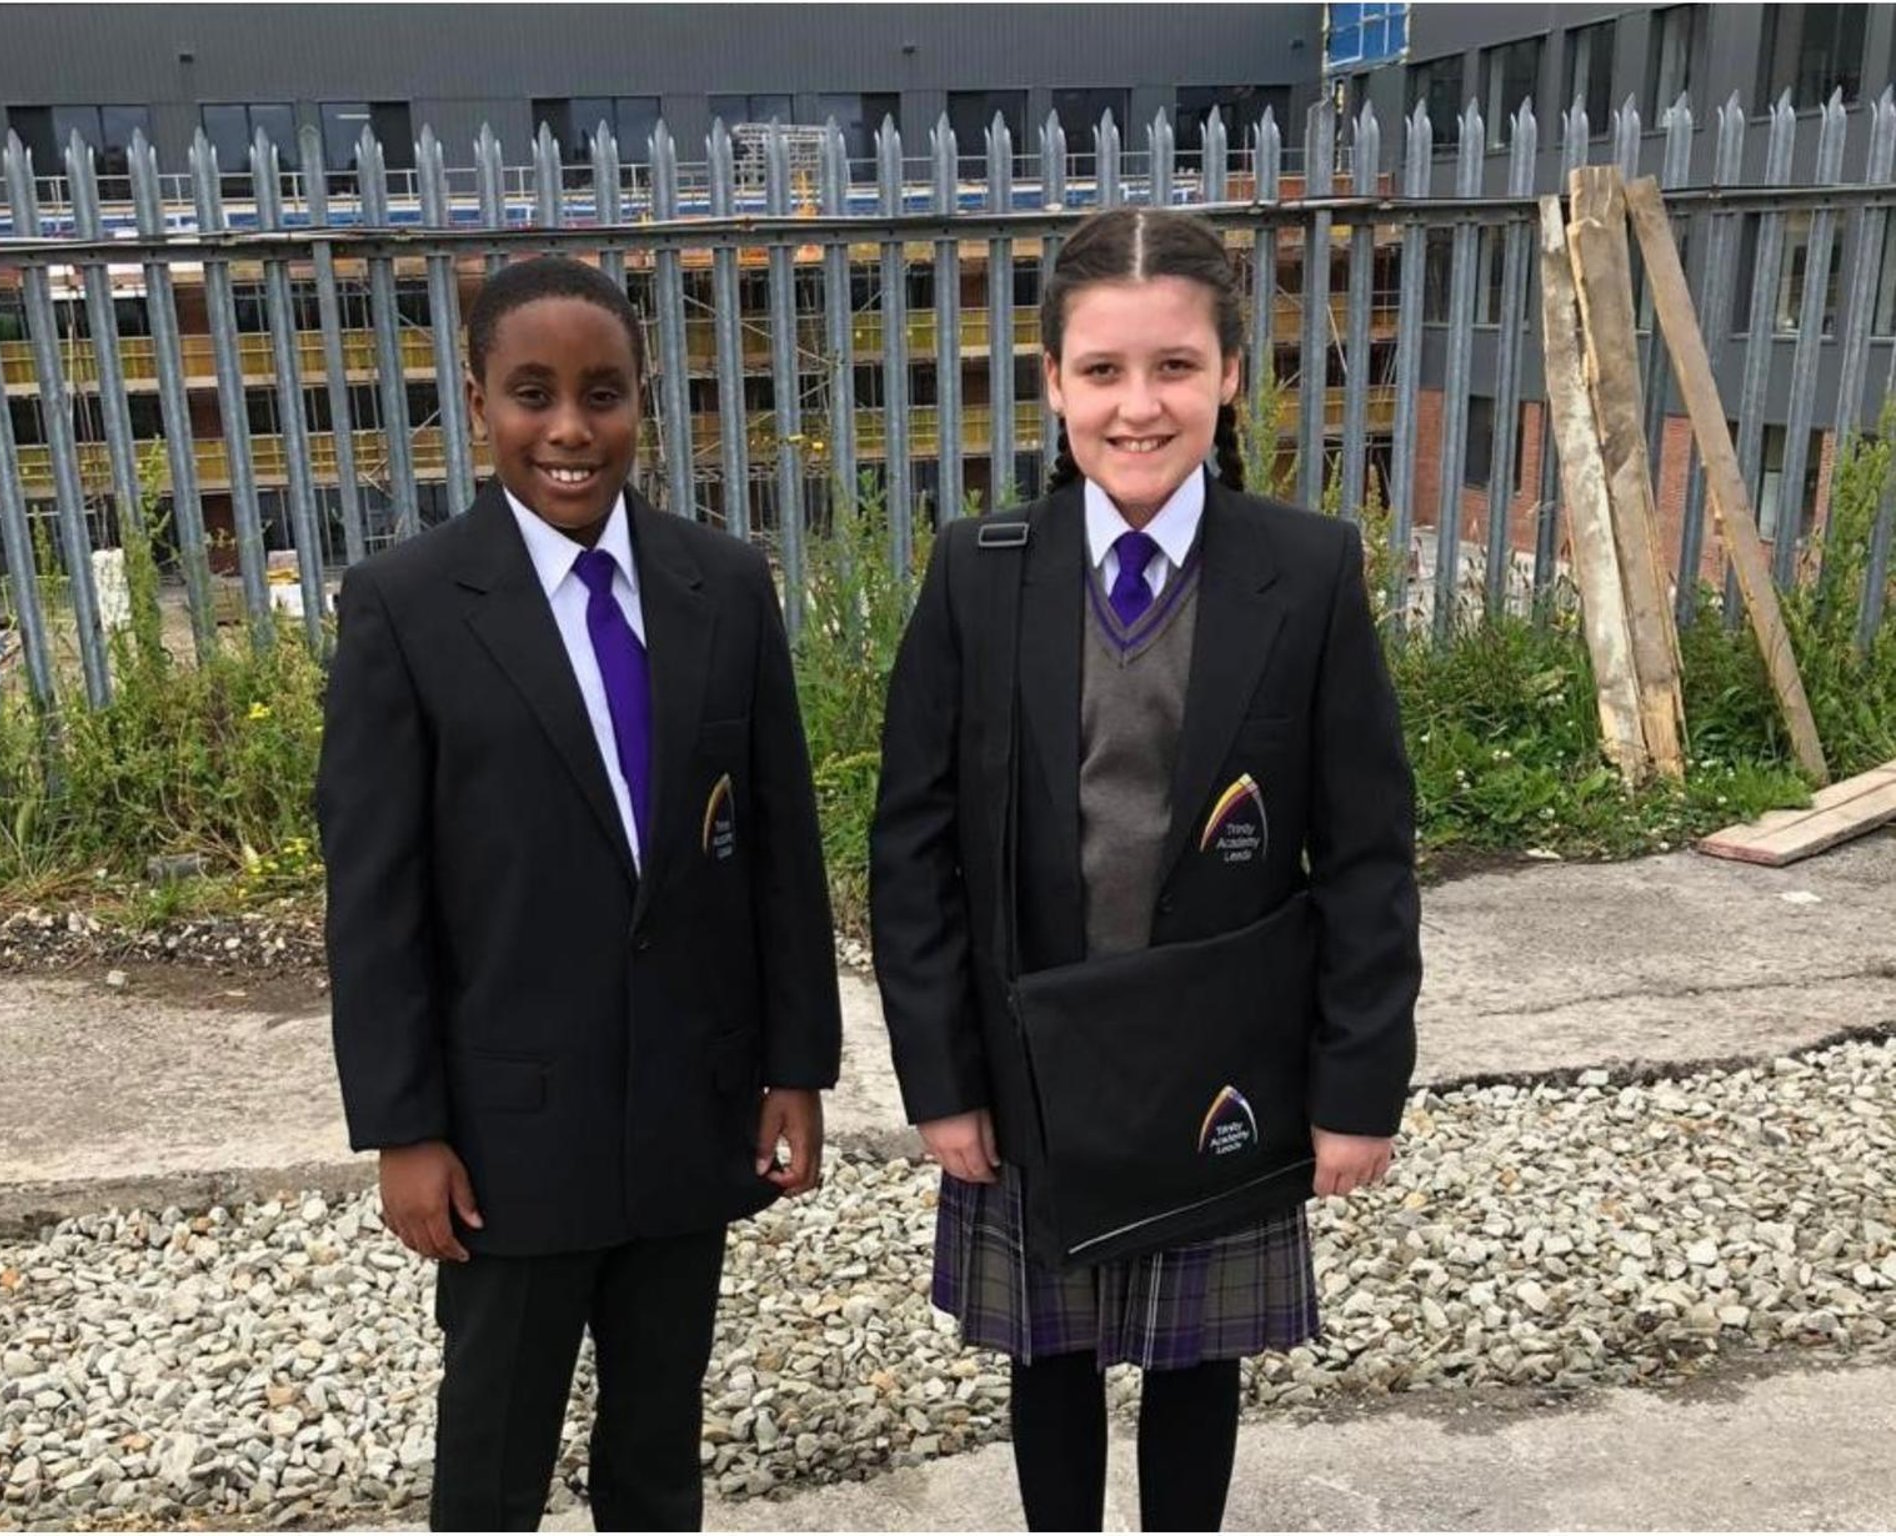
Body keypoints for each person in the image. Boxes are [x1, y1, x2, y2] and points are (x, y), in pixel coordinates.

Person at [870, 207, 1420, 1531]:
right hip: (1029, 1059)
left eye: (1175, 367)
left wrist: (1357, 1088)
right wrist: (942, 1082)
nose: (1138, 407)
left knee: (1193, 1365)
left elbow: (1365, 854)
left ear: (1232, 375)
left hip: (1220, 1056)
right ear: (1051, 381)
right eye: (1102, 372)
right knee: (1048, 1359)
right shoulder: (976, 575)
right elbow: (913, 847)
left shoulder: (1306, 570)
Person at [317, 255, 842, 1532]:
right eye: (531, 394)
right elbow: (374, 897)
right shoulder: (408, 607)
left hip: (687, 1100)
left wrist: (794, 1064)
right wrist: (404, 1128)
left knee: (659, 1449)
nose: (568, 429)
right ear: (478, 400)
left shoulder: (722, 585)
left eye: (602, 394)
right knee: (493, 1459)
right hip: (507, 1134)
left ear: (642, 401)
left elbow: (777, 841)